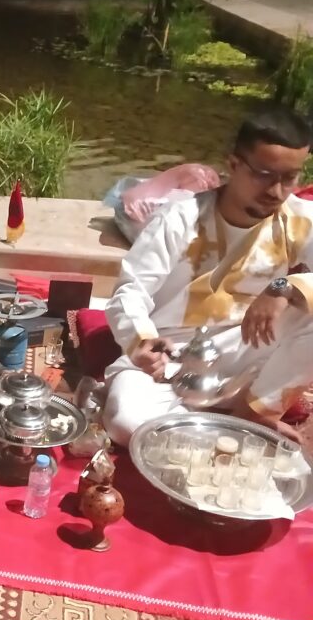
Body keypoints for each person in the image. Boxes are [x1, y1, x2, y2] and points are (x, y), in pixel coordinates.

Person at [103, 108, 313, 446]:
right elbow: (130, 291)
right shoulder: (180, 218)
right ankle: (221, 432)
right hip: (173, 361)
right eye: (264, 175)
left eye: (289, 178)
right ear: (234, 164)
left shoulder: (299, 220)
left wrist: (283, 287)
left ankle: (255, 415)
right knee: (126, 422)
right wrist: (142, 340)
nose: (276, 191)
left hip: (247, 355)